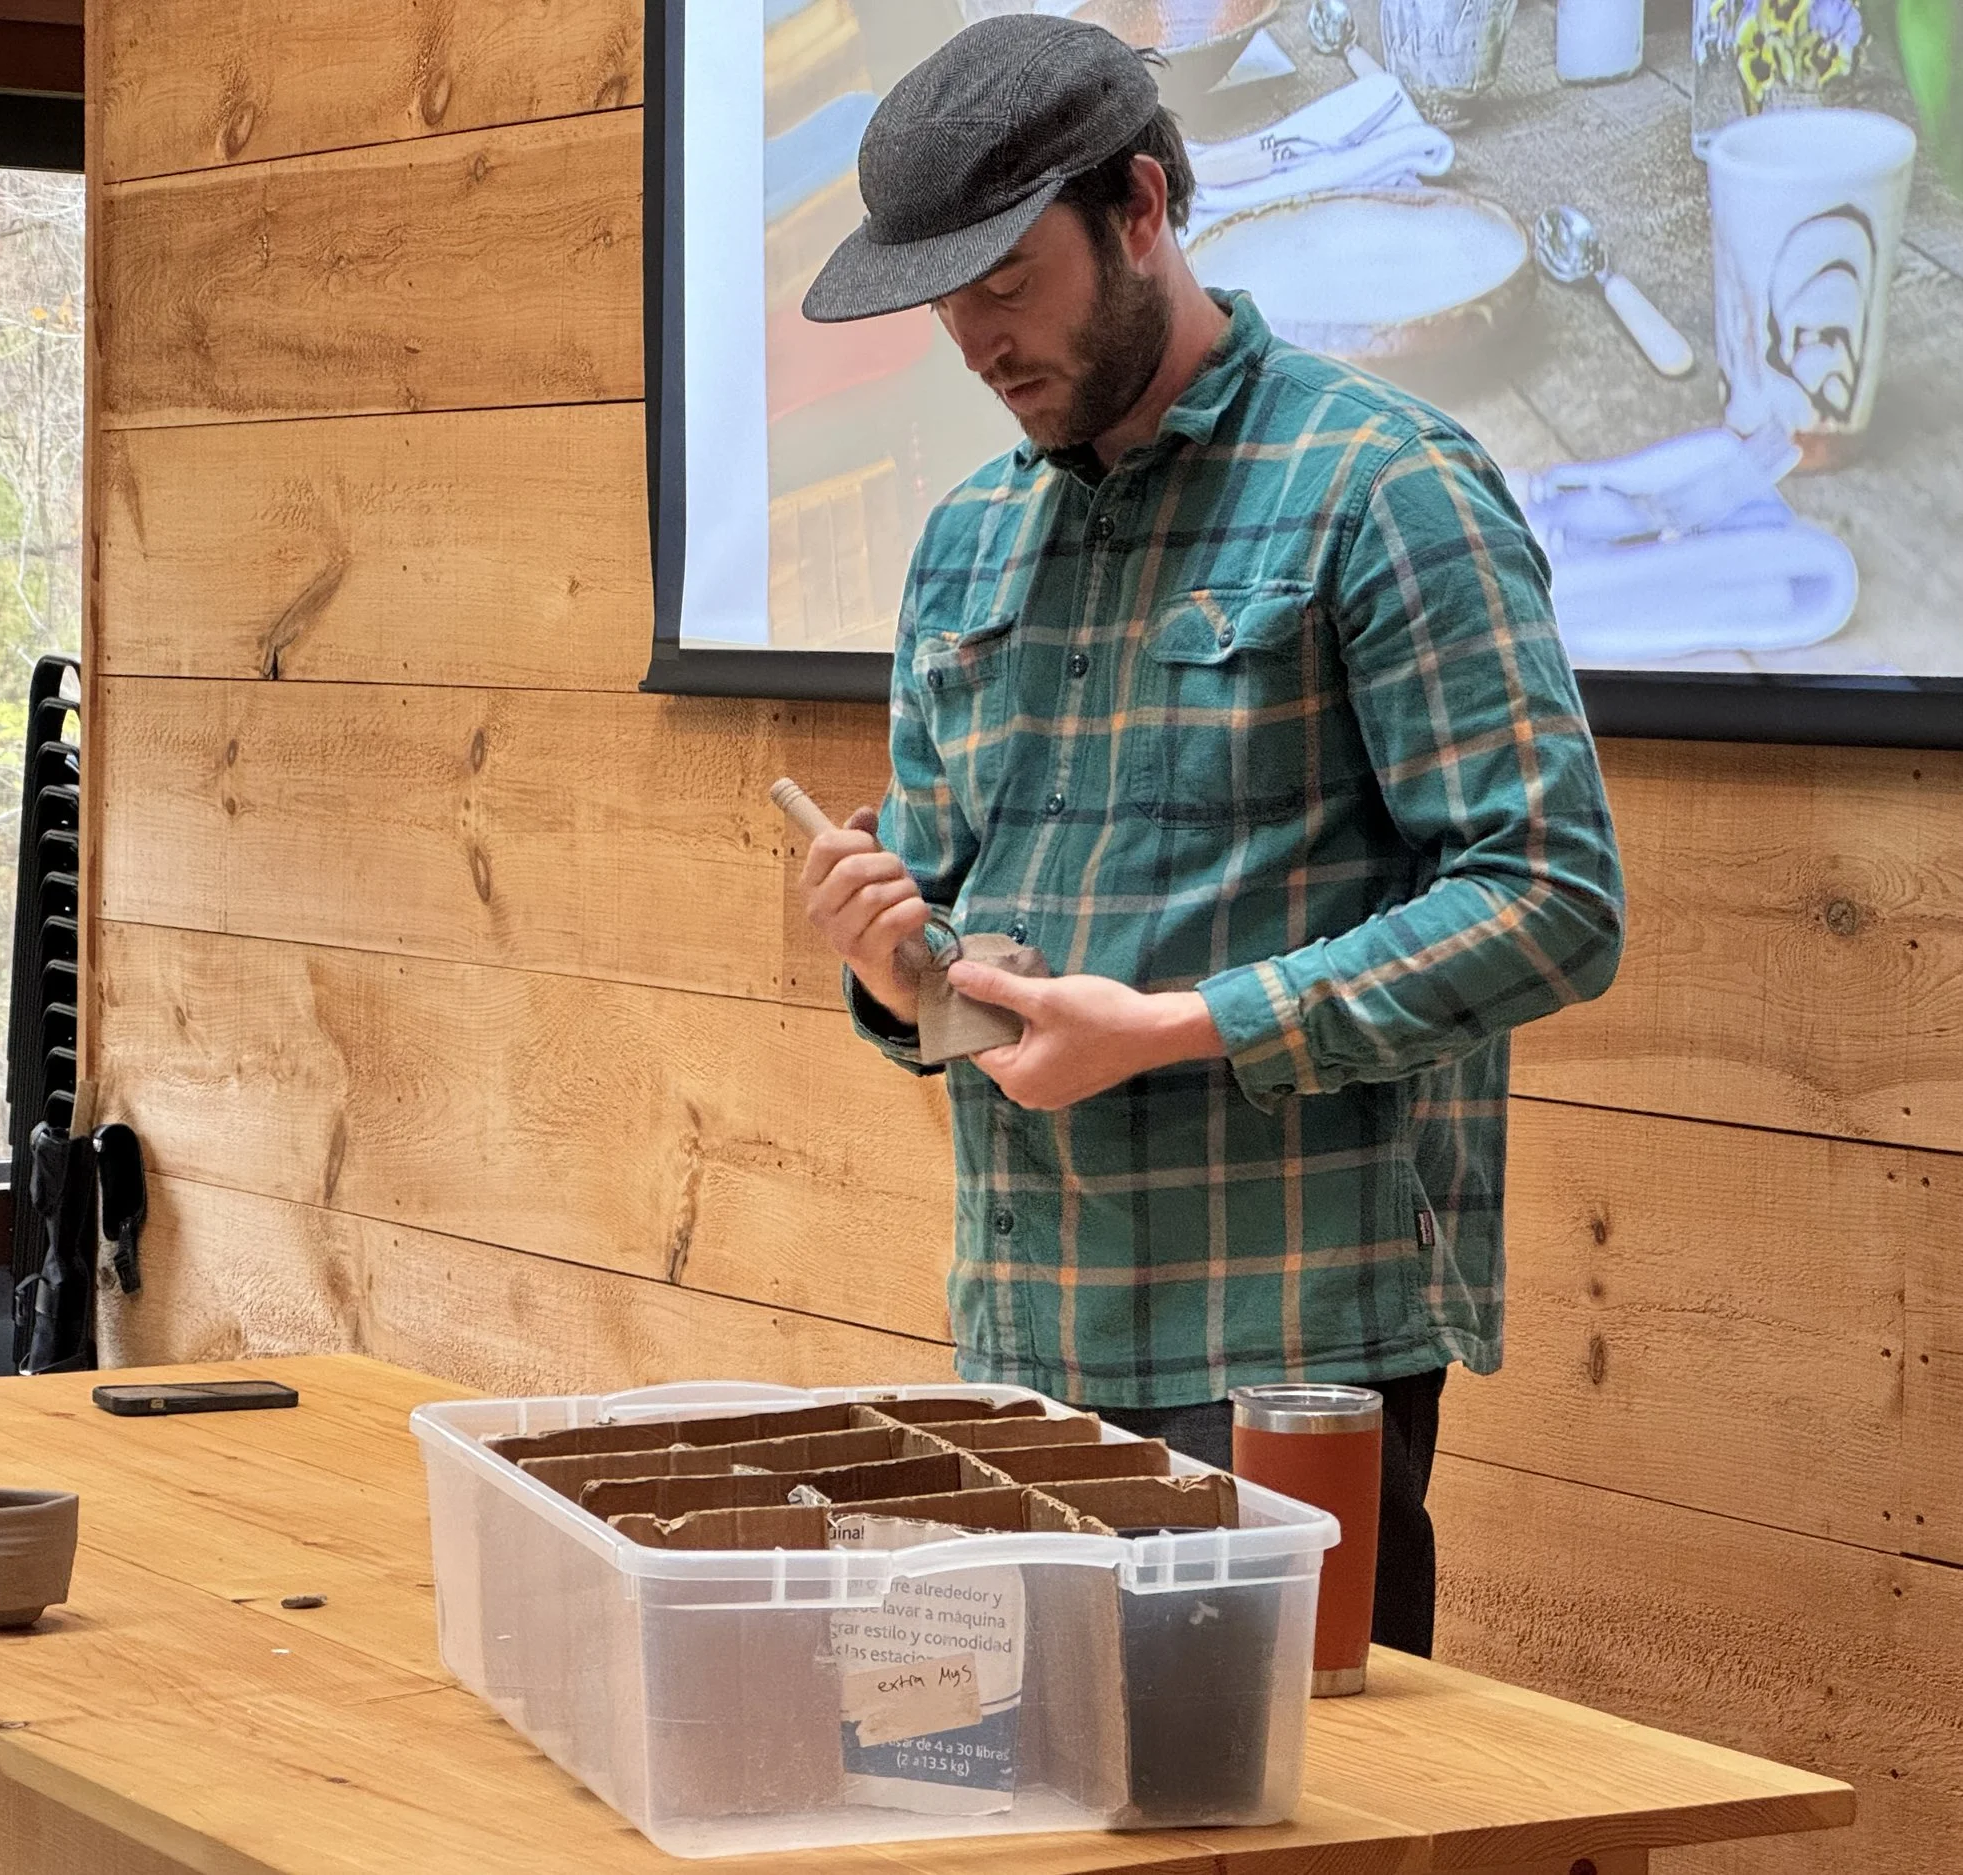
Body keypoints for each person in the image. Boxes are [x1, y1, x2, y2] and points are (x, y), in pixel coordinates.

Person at [792, 13, 1625, 1655]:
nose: (974, 336)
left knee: (1287, 1826)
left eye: (1007, 277)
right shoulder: (963, 549)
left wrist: (1181, 1029)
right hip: (1024, 1336)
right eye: (941, 296)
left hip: (1288, 1357)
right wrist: (905, 975)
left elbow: (1551, 896)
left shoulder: (1385, 483)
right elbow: (975, 967)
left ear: (1146, 210)